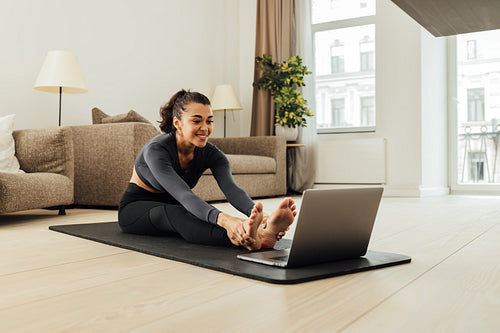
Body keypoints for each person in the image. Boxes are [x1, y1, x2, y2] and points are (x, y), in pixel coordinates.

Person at [118, 89, 296, 250]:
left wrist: (262, 217)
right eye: (196, 121)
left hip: (176, 204)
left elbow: (233, 192)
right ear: (177, 123)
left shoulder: (213, 154)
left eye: (209, 121)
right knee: (181, 212)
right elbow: (184, 195)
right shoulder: (156, 150)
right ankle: (248, 238)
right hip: (136, 209)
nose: (205, 128)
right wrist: (226, 220)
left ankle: (261, 232)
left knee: (201, 211)